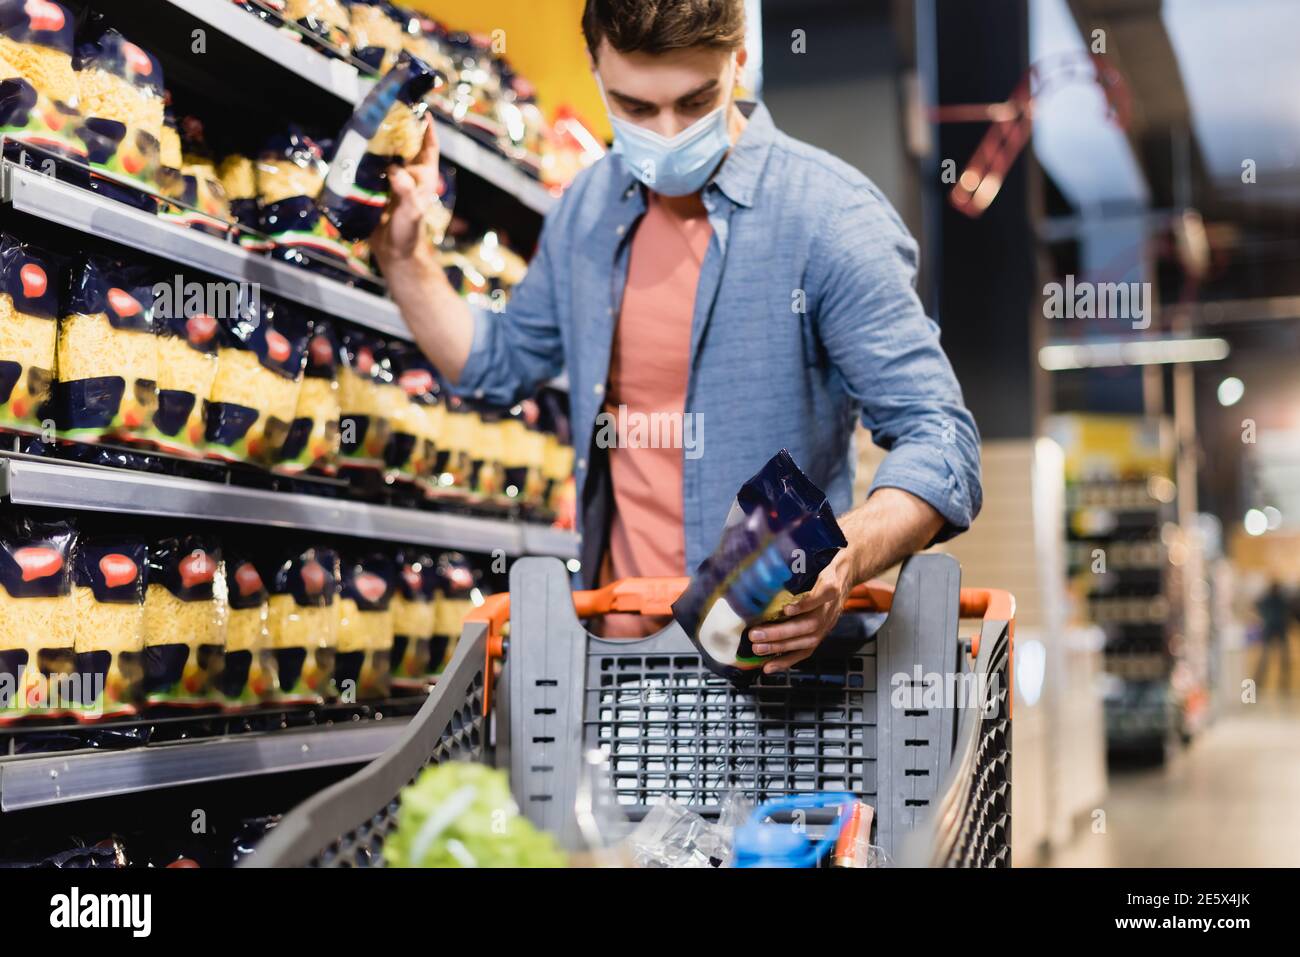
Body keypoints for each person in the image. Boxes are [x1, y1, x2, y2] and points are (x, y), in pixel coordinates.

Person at [371, 0, 981, 672]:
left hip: (773, 679)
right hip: (617, 668)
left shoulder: (829, 217)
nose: (666, 133)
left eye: (695, 103)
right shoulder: (586, 210)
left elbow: (940, 437)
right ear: (596, 71)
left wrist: (842, 555)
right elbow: (494, 361)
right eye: (635, 108)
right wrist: (404, 256)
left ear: (738, 61)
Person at [1254, 581, 1292, 692]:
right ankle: (1261, 681)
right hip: (1272, 630)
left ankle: (1283, 682)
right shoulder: (1274, 600)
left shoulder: (1280, 599)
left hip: (1277, 630)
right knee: (1266, 658)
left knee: (1281, 657)